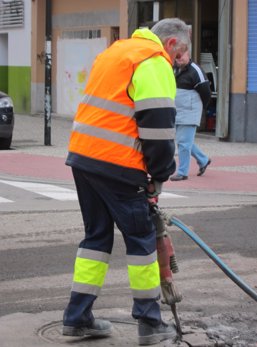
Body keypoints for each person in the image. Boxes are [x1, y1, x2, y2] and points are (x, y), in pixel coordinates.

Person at [62, 18, 190, 346]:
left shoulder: (116, 52)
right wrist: (159, 176)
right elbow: (159, 127)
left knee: (96, 238)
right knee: (142, 241)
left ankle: (77, 319)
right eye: (180, 54)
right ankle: (149, 322)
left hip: (83, 157)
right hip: (117, 163)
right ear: (171, 44)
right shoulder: (153, 61)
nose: (178, 62)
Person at [170, 49, 211, 181]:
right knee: (185, 141)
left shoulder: (195, 70)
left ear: (188, 53)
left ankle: (182, 172)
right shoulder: (174, 69)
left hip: (190, 110)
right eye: (176, 57)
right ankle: (203, 160)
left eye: (180, 56)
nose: (178, 59)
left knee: (183, 143)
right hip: (178, 110)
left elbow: (206, 92)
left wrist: (200, 110)